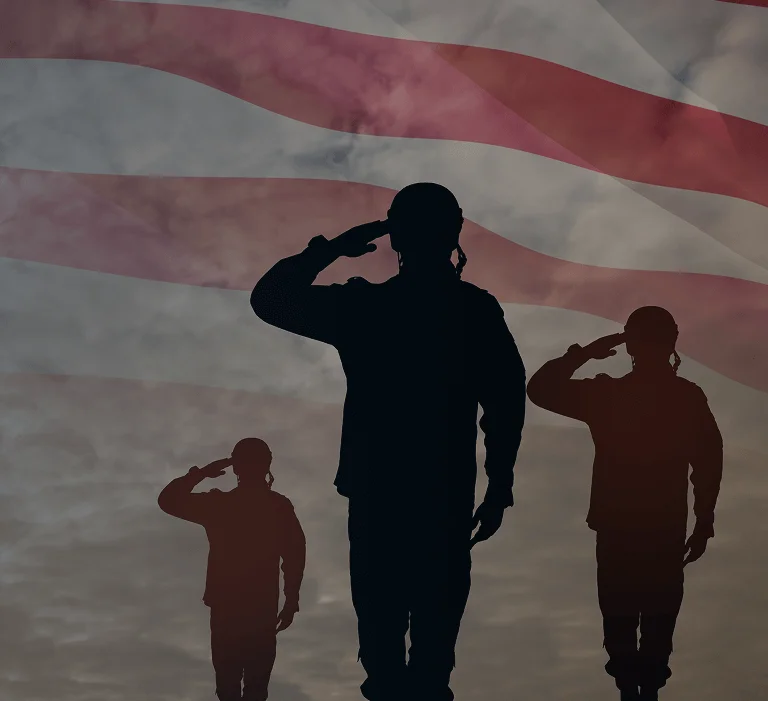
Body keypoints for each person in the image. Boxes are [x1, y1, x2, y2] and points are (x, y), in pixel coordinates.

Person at [250, 182, 526, 701]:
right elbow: (506, 403)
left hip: (384, 497)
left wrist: (331, 249)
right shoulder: (472, 310)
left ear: (395, 235)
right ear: (453, 232)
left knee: (386, 657)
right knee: (429, 660)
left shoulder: (367, 308)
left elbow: (270, 299)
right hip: (439, 497)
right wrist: (499, 483)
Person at [526, 307, 723, 701]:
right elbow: (708, 461)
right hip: (659, 527)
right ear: (672, 342)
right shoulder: (682, 397)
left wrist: (586, 352)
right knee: (653, 621)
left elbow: (540, 387)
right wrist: (703, 519)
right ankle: (641, 689)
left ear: (630, 344)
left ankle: (634, 690)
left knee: (625, 618)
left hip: (626, 528)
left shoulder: (608, 395)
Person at [158, 438, 306, 701]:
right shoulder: (277, 507)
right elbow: (295, 554)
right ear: (267, 464)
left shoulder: (221, 505)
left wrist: (202, 473)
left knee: (230, 688)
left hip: (232, 609)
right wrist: (291, 598)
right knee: (254, 689)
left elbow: (168, 500)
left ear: (235, 467)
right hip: (258, 608)